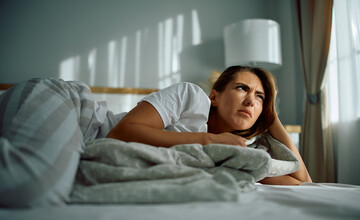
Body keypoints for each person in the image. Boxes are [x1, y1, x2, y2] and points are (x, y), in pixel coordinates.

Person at [107, 65, 312, 185]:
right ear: (214, 96)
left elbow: (304, 183)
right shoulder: (191, 97)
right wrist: (210, 141)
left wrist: (272, 115)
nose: (251, 101)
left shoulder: (240, 151)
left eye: (260, 97)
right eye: (242, 88)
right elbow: (121, 132)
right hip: (90, 130)